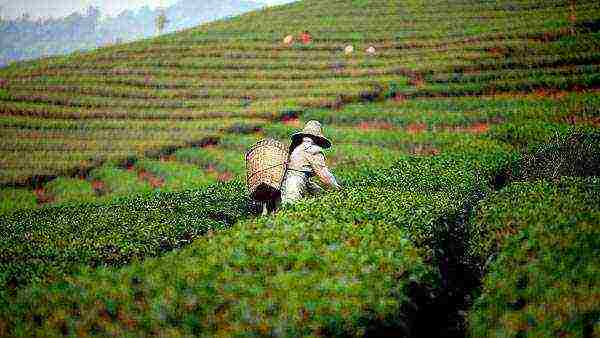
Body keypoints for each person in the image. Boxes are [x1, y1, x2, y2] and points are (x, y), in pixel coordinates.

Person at [281, 120, 341, 205]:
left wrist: (321, 193)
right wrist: (338, 189)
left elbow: (306, 181)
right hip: (295, 183)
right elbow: (324, 175)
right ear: (318, 138)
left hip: (286, 179)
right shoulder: (313, 150)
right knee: (290, 206)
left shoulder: (297, 148)